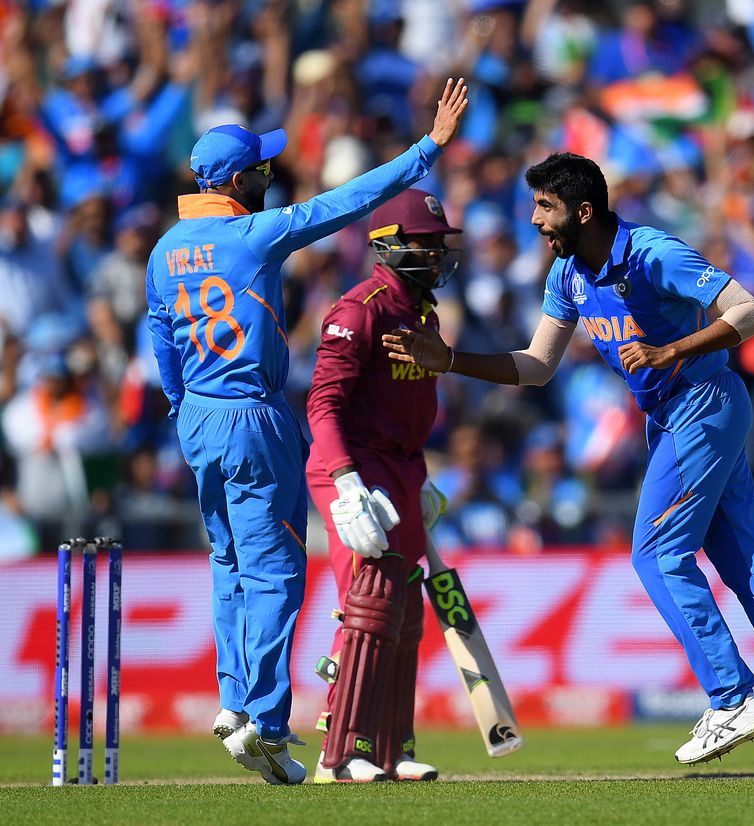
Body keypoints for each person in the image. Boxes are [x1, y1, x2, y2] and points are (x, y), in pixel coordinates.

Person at [383, 152, 754, 781]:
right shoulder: (568, 274)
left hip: (701, 403)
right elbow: (536, 364)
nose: (534, 222)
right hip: (683, 416)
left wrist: (671, 349)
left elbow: (752, 312)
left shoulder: (653, 251)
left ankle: (731, 697)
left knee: (657, 554)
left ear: (584, 210)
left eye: (545, 208)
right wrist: (449, 361)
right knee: (749, 564)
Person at [146, 79, 468, 786]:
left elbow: (161, 340)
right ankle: (262, 722)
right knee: (275, 574)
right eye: (262, 169)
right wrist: (427, 150)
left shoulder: (164, 250)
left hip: (196, 417)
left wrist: (182, 411)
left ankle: (235, 702)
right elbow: (347, 202)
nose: (272, 176)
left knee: (228, 563)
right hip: (252, 413)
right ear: (239, 181)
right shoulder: (253, 234)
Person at [304, 187, 461, 783]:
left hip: (402, 467)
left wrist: (417, 476)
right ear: (387, 247)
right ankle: (340, 754)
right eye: (425, 244)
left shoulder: (424, 312)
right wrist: (347, 484)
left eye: (440, 244)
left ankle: (393, 747)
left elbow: (414, 400)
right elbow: (323, 404)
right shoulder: (358, 309)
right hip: (352, 466)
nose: (437, 255)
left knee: (403, 605)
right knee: (368, 605)